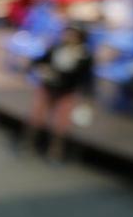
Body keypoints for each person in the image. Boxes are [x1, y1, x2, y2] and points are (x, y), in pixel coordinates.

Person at [25, 26, 93, 162]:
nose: (68, 37)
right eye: (67, 34)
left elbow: (85, 78)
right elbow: (37, 62)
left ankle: (55, 152)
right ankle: (28, 145)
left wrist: (86, 98)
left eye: (72, 35)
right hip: (48, 87)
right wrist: (43, 70)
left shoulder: (84, 56)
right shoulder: (56, 48)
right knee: (36, 118)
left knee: (61, 125)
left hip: (66, 92)